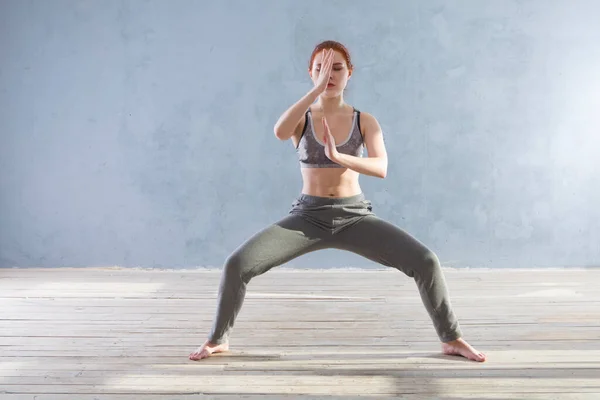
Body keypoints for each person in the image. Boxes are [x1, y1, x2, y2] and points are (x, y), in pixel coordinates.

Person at [189, 40, 486, 362]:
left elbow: (381, 167)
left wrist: (338, 156)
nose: (327, 75)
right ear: (310, 74)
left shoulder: (365, 121)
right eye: (319, 69)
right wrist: (315, 92)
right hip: (307, 218)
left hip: (354, 216)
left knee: (426, 261)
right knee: (237, 265)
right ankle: (218, 339)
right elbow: (279, 131)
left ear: (349, 73)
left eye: (335, 68)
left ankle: (451, 338)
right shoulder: (302, 119)